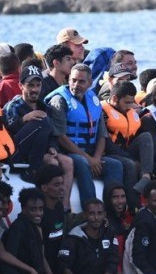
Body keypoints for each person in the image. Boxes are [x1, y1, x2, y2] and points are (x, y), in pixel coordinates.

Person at [46, 63, 124, 202]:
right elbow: (60, 137)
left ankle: (113, 208)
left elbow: (101, 135)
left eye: (81, 81)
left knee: (115, 165)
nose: (76, 85)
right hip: (68, 152)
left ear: (89, 83)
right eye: (73, 80)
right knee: (82, 163)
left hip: (91, 153)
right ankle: (91, 206)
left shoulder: (93, 100)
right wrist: (89, 159)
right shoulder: (59, 101)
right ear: (68, 80)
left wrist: (97, 158)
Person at [3, 62, 75, 201]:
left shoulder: (45, 107)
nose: (35, 89)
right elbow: (9, 130)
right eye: (30, 85)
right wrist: (24, 119)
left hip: (40, 150)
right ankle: (33, 171)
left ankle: (64, 208)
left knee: (67, 162)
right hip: (18, 151)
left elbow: (52, 135)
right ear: (21, 86)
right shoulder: (13, 106)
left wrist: (52, 148)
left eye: (38, 85)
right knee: (43, 122)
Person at [0, 188, 55, 274]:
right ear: (23, 209)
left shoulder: (34, 227)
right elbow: (7, 266)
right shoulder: (18, 228)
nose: (38, 213)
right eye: (33, 209)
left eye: (41, 209)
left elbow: (41, 257)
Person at [101, 80, 155, 195]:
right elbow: (107, 143)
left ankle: (146, 175)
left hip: (125, 150)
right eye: (127, 103)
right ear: (115, 99)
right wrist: (131, 159)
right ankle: (133, 205)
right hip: (108, 152)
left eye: (132, 102)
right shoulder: (102, 112)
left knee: (146, 137)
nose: (130, 106)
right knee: (130, 164)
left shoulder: (129, 110)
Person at [60, 199, 121, 274]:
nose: (96, 217)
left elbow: (113, 260)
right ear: (85, 215)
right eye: (92, 213)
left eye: (99, 213)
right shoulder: (74, 237)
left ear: (104, 215)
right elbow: (63, 264)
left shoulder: (109, 232)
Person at [34, 165, 68, 274]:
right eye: (57, 185)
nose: (62, 188)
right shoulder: (38, 214)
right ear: (44, 188)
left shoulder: (59, 206)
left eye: (62, 183)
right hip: (42, 273)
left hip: (58, 267)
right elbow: (38, 252)